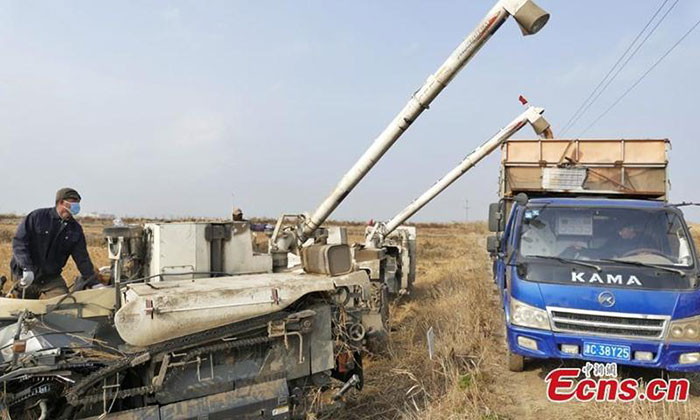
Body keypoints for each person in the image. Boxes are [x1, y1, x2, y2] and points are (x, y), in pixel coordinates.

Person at [10, 187, 96, 299]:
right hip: (25, 274)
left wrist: (94, 282)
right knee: (20, 309)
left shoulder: (75, 229)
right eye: (73, 203)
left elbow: (82, 258)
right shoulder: (37, 217)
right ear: (61, 202)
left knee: (64, 305)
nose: (76, 207)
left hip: (51, 278)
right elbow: (19, 243)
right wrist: (26, 268)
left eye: (78, 203)